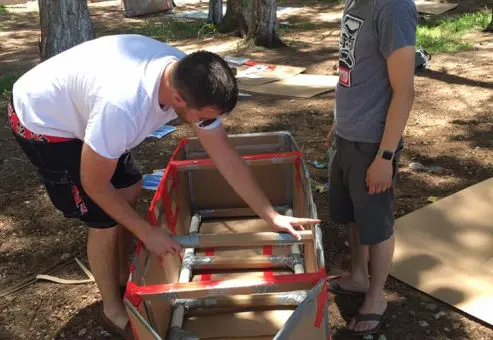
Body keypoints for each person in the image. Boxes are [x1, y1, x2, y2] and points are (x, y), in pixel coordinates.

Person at [8, 34, 320, 339]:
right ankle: (113, 311)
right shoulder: (123, 108)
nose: (205, 124)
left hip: (88, 109)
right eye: (203, 118)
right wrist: (147, 232)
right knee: (101, 219)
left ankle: (121, 277)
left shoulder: (187, 76)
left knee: (131, 186)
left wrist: (270, 215)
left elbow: (225, 157)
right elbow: (94, 183)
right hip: (44, 120)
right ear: (179, 100)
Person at [325, 0, 417, 336]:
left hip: (373, 144)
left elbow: (404, 91)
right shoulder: (355, 2)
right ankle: (358, 276)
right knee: (352, 215)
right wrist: (340, 121)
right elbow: (355, 70)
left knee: (376, 224)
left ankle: (376, 297)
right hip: (349, 134)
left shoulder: (392, 8)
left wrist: (386, 156)